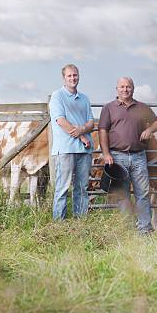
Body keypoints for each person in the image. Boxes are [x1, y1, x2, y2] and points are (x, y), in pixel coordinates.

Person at [99, 77, 157, 233]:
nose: (125, 89)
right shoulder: (109, 108)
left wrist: (149, 130)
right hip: (117, 157)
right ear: (117, 89)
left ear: (133, 89)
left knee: (143, 193)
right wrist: (106, 153)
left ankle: (144, 229)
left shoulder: (141, 107)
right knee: (122, 195)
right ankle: (127, 230)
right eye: (122, 86)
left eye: (128, 87)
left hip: (138, 155)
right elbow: (102, 131)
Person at [49, 64, 95, 219]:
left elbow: (91, 123)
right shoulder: (57, 96)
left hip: (84, 151)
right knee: (62, 189)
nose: (73, 78)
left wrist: (83, 130)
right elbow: (61, 121)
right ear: (64, 78)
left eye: (75, 75)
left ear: (79, 76)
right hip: (66, 149)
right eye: (69, 76)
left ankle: (80, 222)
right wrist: (82, 135)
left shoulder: (84, 98)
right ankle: (58, 224)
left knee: (82, 188)